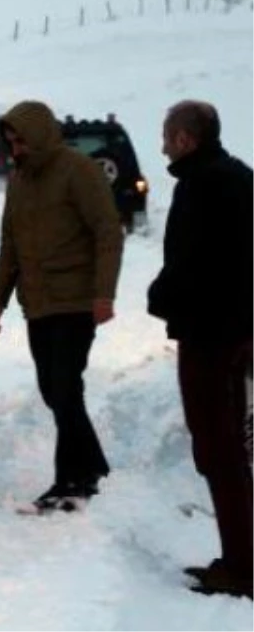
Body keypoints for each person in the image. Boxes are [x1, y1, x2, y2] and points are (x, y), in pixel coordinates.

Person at [0, 100, 124, 513]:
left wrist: (104, 293)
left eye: (21, 139)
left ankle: (71, 481)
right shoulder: (19, 180)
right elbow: (9, 246)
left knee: (64, 386)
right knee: (54, 391)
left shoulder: (78, 171)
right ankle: (93, 464)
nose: (16, 147)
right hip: (38, 304)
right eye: (10, 141)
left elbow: (107, 232)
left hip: (76, 300)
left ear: (40, 134)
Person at [147, 100, 254, 599]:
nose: (163, 145)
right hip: (235, 334)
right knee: (230, 446)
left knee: (219, 448)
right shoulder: (237, 176)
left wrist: (160, 298)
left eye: (167, 136)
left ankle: (242, 566)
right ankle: (243, 556)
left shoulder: (203, 186)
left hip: (212, 336)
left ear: (186, 139)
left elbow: (194, 267)